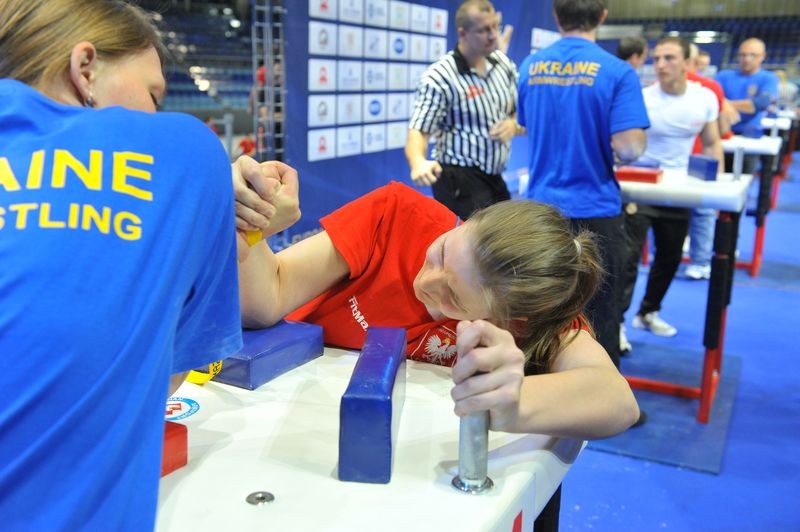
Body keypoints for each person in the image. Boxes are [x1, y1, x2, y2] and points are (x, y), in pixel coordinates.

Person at [0, 1, 295, 529]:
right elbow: (159, 378)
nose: (155, 116)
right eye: (153, 95)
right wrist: (216, 215)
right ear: (85, 68)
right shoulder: (182, 149)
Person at [238, 182, 640, 440]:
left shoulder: (531, 319)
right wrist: (247, 220)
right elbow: (270, 295)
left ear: (510, 319)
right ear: (467, 221)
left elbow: (618, 401)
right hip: (268, 411)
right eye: (442, 253)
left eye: (454, 298)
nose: (426, 284)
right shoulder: (396, 214)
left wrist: (510, 402)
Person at [516, 0, 649, 370]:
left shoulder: (530, 66)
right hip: (595, 209)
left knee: (540, 313)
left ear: (557, 15)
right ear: (602, 15)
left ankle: (536, 391)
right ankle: (595, 396)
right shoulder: (617, 71)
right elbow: (629, 147)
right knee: (600, 315)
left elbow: (526, 123)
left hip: (541, 211)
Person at [619, 37, 723, 338]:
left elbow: (712, 143)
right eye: (657, 58)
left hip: (679, 190)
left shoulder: (704, 98)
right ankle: (617, 324)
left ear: (688, 63)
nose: (661, 65)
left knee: (670, 257)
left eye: (669, 58)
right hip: (640, 187)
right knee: (627, 259)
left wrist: (717, 193)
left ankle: (648, 312)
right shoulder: (642, 98)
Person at [405, 0, 523, 220]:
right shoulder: (441, 76)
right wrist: (418, 162)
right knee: (488, 237)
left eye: (495, 26)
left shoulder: (503, 65)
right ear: (462, 33)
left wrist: (513, 126)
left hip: (494, 175)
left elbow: (521, 114)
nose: (493, 36)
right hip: (458, 179)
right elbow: (418, 130)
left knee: (509, 230)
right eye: (484, 30)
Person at [685, 43, 740, 281]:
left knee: (667, 213)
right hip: (700, 159)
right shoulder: (711, 88)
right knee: (704, 211)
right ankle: (699, 261)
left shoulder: (654, 87)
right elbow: (723, 128)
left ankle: (675, 257)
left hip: (680, 160)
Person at [716, 38, 779, 173]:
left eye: (752, 55)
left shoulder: (768, 77)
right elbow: (711, 99)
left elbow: (759, 104)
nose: (746, 59)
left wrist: (726, 104)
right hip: (722, 133)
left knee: (744, 179)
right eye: (743, 55)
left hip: (750, 136)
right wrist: (723, 103)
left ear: (762, 56)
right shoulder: (724, 75)